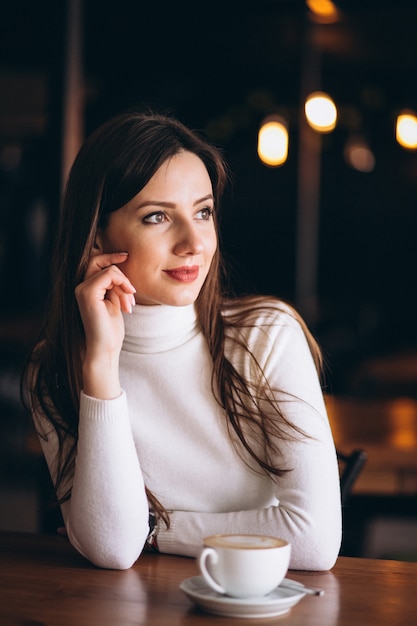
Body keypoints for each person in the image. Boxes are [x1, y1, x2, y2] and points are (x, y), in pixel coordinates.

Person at [24, 110, 342, 571]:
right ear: (97, 236)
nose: (194, 241)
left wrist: (156, 529)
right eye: (157, 217)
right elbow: (112, 546)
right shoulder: (53, 370)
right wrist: (101, 365)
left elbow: (314, 540)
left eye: (204, 212)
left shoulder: (266, 335)